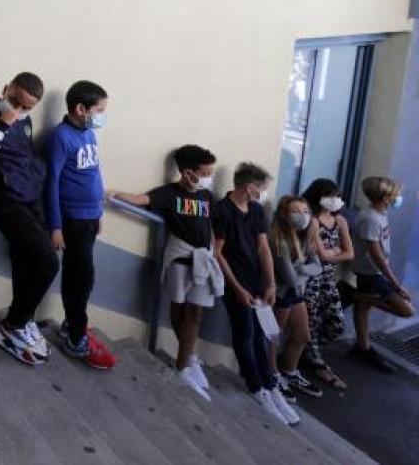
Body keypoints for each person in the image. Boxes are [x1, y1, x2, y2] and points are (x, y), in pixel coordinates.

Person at [111, 144, 222, 397]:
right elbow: (142, 199)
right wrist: (114, 194)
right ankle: (186, 359)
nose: (209, 178)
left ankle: (184, 363)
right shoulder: (169, 193)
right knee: (179, 308)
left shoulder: (207, 196)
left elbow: (217, 224)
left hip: (203, 261)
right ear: (188, 173)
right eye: (205, 173)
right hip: (180, 259)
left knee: (196, 312)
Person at [0, 73, 56, 366]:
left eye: (26, 107)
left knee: (26, 258)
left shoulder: (25, 122)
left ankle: (22, 318)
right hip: (3, 201)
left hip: (28, 197)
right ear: (6, 89)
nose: (18, 110)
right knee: (48, 262)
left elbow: (25, 159)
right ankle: (13, 325)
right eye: (15, 101)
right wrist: (3, 123)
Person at [212, 163, 299, 426]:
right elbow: (217, 253)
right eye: (262, 188)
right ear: (250, 188)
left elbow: (263, 248)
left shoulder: (257, 211)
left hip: (257, 282)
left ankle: (270, 385)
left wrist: (270, 284)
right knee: (245, 333)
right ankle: (256, 387)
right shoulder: (223, 211)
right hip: (235, 284)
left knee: (262, 334)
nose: (264, 193)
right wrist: (237, 289)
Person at [47, 80, 116, 369]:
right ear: (80, 109)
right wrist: (55, 226)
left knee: (83, 277)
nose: (102, 116)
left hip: (89, 218)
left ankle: (70, 325)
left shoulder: (89, 134)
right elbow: (51, 182)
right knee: (79, 278)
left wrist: (98, 212)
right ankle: (77, 339)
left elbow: (94, 173)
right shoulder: (61, 137)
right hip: (72, 221)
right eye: (99, 110)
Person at [347, 176, 414, 372]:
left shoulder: (379, 213)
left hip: (373, 271)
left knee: (363, 309)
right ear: (385, 198)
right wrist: (396, 285)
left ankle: (362, 347)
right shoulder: (370, 219)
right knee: (407, 310)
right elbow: (376, 255)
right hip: (371, 272)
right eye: (396, 194)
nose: (399, 197)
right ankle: (357, 296)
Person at [299, 179, 351, 389]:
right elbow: (321, 254)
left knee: (337, 323)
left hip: (329, 278)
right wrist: (337, 251)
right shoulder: (312, 220)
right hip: (312, 278)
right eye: (331, 196)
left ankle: (308, 352)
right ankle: (315, 361)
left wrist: (334, 253)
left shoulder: (340, 221)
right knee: (311, 321)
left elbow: (350, 253)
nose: (335, 200)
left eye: (337, 196)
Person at [268, 196, 323, 400]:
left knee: (302, 335)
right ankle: (271, 374)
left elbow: (318, 266)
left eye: (306, 211)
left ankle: (290, 372)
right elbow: (289, 278)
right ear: (284, 214)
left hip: (296, 292)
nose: (303, 216)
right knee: (274, 337)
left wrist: (300, 269)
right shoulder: (278, 239)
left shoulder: (306, 237)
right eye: (296, 211)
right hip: (281, 294)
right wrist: (304, 270)